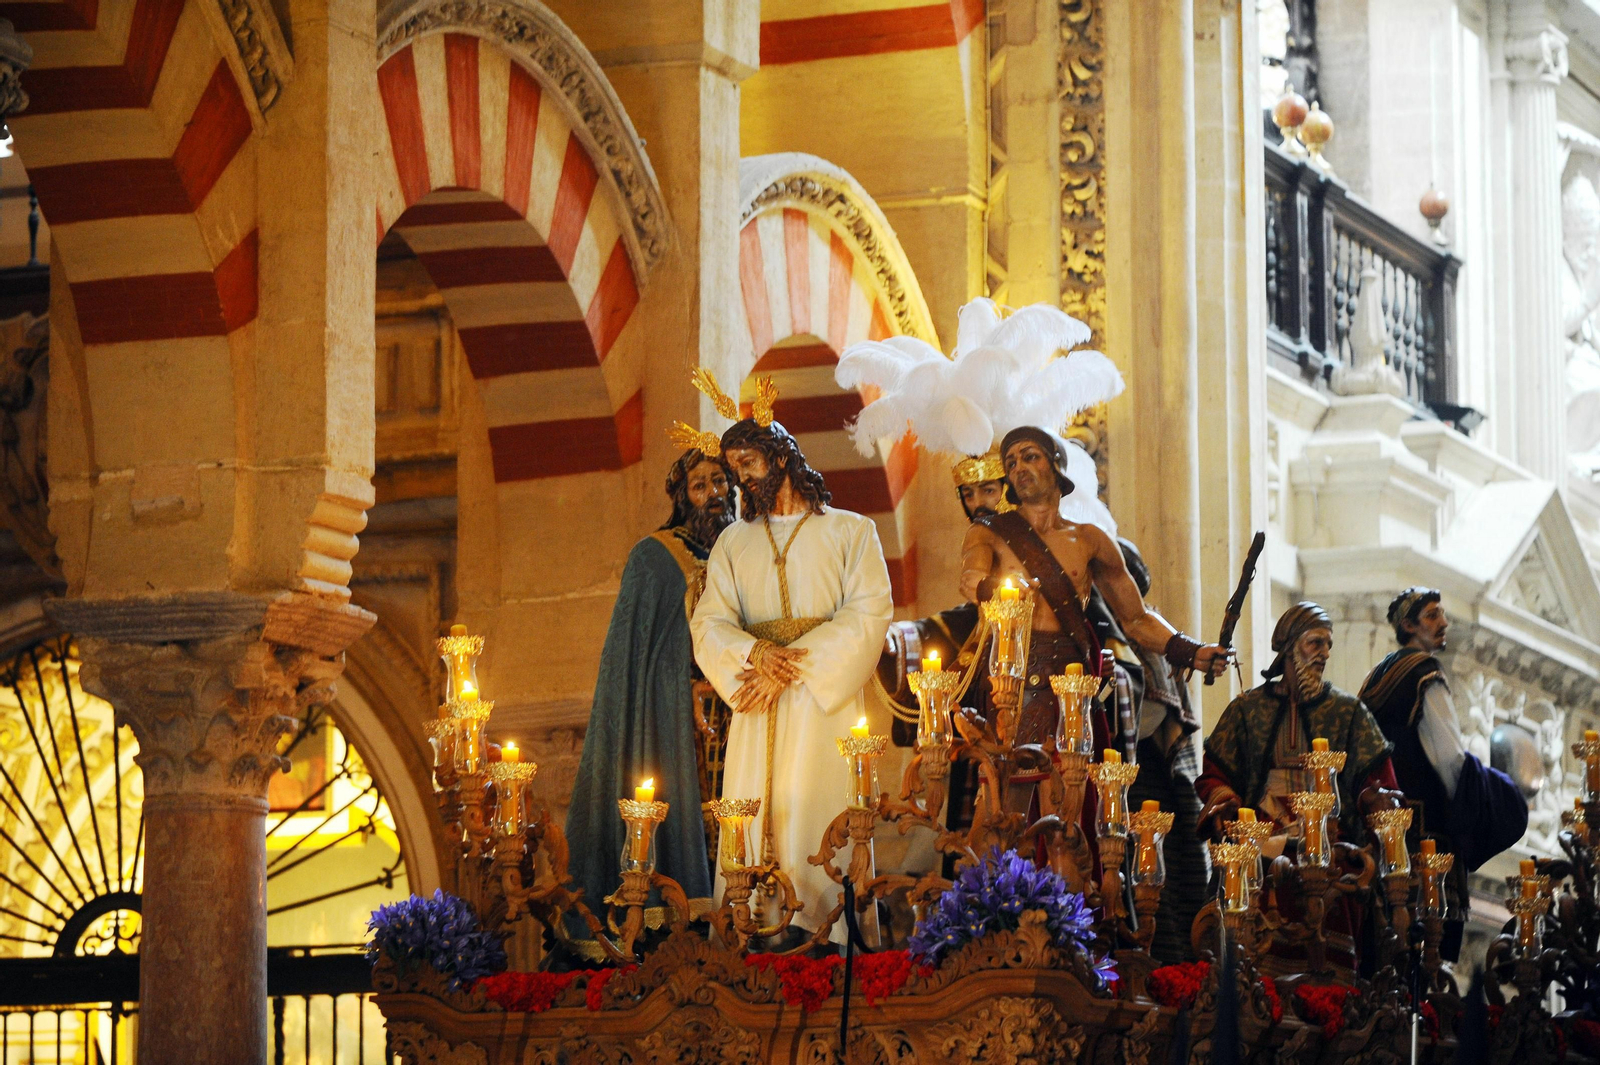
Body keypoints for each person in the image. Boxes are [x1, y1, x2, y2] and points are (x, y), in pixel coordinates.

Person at [688, 373, 893, 939]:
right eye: (734, 470)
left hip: (818, 706)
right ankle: (750, 933)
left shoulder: (852, 532)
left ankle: (827, 933)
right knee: (752, 817)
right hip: (754, 703)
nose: (740, 479)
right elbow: (708, 622)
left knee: (819, 814)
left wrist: (790, 665)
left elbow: (870, 613)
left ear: (780, 456)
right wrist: (755, 653)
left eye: (748, 464)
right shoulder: (734, 542)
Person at [959, 426, 1230, 746]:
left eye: (1030, 457)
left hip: (1072, 673)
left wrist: (1189, 650)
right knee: (1015, 781)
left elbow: (1136, 618)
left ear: (1055, 465)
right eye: (1012, 463)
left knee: (1074, 783)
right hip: (1010, 674)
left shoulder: (1091, 540)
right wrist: (999, 588)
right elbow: (969, 580)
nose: (1019, 468)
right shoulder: (989, 531)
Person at [564, 447, 734, 919]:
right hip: (677, 724)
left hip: (742, 714)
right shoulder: (656, 559)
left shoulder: (745, 552)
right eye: (700, 486)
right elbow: (637, 662)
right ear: (682, 497)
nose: (714, 494)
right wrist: (687, 686)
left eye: (720, 482)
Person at [1359, 588, 1528, 960]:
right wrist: (1487, 802)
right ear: (1408, 625)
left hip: (1377, 835)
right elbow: (1449, 757)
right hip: (1425, 839)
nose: (1444, 623)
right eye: (1433, 615)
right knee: (1427, 957)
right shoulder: (1424, 672)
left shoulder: (1377, 676)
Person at [1198, 602, 1397, 844]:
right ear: (1289, 648)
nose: (1325, 653)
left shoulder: (1348, 711)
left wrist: (1372, 797)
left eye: (1328, 645)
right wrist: (1225, 802)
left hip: (1332, 841)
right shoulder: (1246, 709)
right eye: (1315, 643)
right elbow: (1215, 774)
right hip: (1260, 841)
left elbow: (1378, 778)